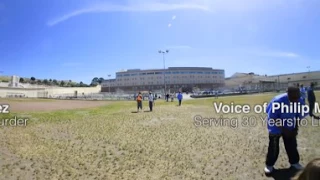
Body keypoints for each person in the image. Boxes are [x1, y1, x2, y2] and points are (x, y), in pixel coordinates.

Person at [264, 86, 307, 174]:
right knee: (274, 146)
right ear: (288, 94)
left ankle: (294, 163)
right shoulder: (278, 101)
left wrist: (295, 129)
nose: (295, 100)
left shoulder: (300, 101)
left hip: (290, 124)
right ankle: (269, 165)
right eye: (293, 98)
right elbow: (273, 118)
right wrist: (284, 130)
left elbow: (298, 116)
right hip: (275, 125)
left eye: (297, 97)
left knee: (292, 144)